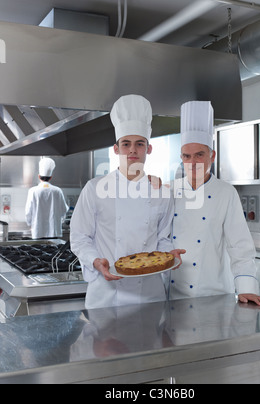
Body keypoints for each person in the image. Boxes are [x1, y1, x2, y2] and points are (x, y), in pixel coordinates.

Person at [70, 94, 185, 309]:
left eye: (139, 144)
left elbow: (163, 238)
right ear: (116, 149)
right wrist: (96, 261)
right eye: (126, 144)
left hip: (149, 295)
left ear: (148, 149)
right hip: (106, 295)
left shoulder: (162, 192)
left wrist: (169, 254)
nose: (132, 150)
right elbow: (79, 238)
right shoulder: (95, 188)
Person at [168, 100, 260, 306]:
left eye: (199, 155)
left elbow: (239, 246)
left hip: (214, 297)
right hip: (174, 297)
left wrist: (246, 289)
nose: (193, 163)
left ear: (212, 156)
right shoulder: (169, 191)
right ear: (181, 157)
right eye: (187, 156)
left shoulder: (226, 193)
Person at [25, 157, 68, 239]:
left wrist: (30, 224)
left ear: (38, 176)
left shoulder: (33, 191)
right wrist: (59, 221)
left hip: (38, 232)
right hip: (54, 233)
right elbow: (64, 210)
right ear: (51, 177)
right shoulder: (57, 191)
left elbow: (28, 212)